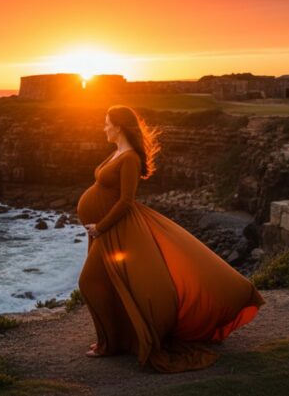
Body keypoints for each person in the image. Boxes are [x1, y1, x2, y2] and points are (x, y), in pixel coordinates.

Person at [76, 105, 266, 373]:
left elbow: (127, 201)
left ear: (119, 126)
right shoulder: (116, 152)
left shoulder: (129, 158)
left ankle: (110, 344)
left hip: (115, 230)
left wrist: (101, 226)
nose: (103, 127)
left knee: (89, 281)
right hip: (104, 230)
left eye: (107, 123)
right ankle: (114, 340)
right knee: (106, 281)